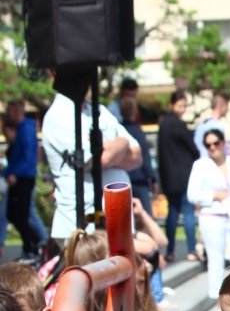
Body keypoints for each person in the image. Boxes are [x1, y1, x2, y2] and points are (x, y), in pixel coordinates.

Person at [41, 85, 142, 241]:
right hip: (83, 224)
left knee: (145, 250)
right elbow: (102, 158)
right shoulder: (59, 115)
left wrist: (111, 148)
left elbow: (136, 156)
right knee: (144, 249)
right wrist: (122, 143)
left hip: (114, 222)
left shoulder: (100, 111)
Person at [187, 128, 230, 299]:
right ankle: (217, 299)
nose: (212, 147)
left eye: (216, 143)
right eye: (208, 145)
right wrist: (216, 195)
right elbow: (192, 194)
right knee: (216, 260)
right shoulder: (201, 165)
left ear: (223, 143)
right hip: (211, 216)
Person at [156, 90, 199, 263]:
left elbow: (160, 154)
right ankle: (191, 250)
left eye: (184, 106)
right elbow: (194, 149)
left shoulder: (163, 125)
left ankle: (170, 251)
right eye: (180, 106)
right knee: (187, 213)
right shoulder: (179, 126)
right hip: (185, 176)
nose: (182, 109)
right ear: (172, 105)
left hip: (169, 177)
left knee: (172, 214)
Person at [3, 100, 41, 262]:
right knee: (14, 214)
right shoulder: (21, 129)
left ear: (16, 112)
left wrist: (15, 173)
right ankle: (31, 245)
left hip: (23, 178)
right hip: (19, 176)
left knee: (20, 215)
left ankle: (34, 245)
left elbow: (27, 157)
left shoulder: (25, 129)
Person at [120, 97, 157, 217]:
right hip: (139, 180)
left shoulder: (118, 130)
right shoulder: (137, 132)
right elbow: (145, 157)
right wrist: (152, 178)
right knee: (145, 216)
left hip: (122, 179)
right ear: (135, 112)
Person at [194, 91, 230, 158]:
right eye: (226, 106)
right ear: (221, 106)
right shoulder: (216, 125)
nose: (227, 109)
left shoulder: (203, 124)